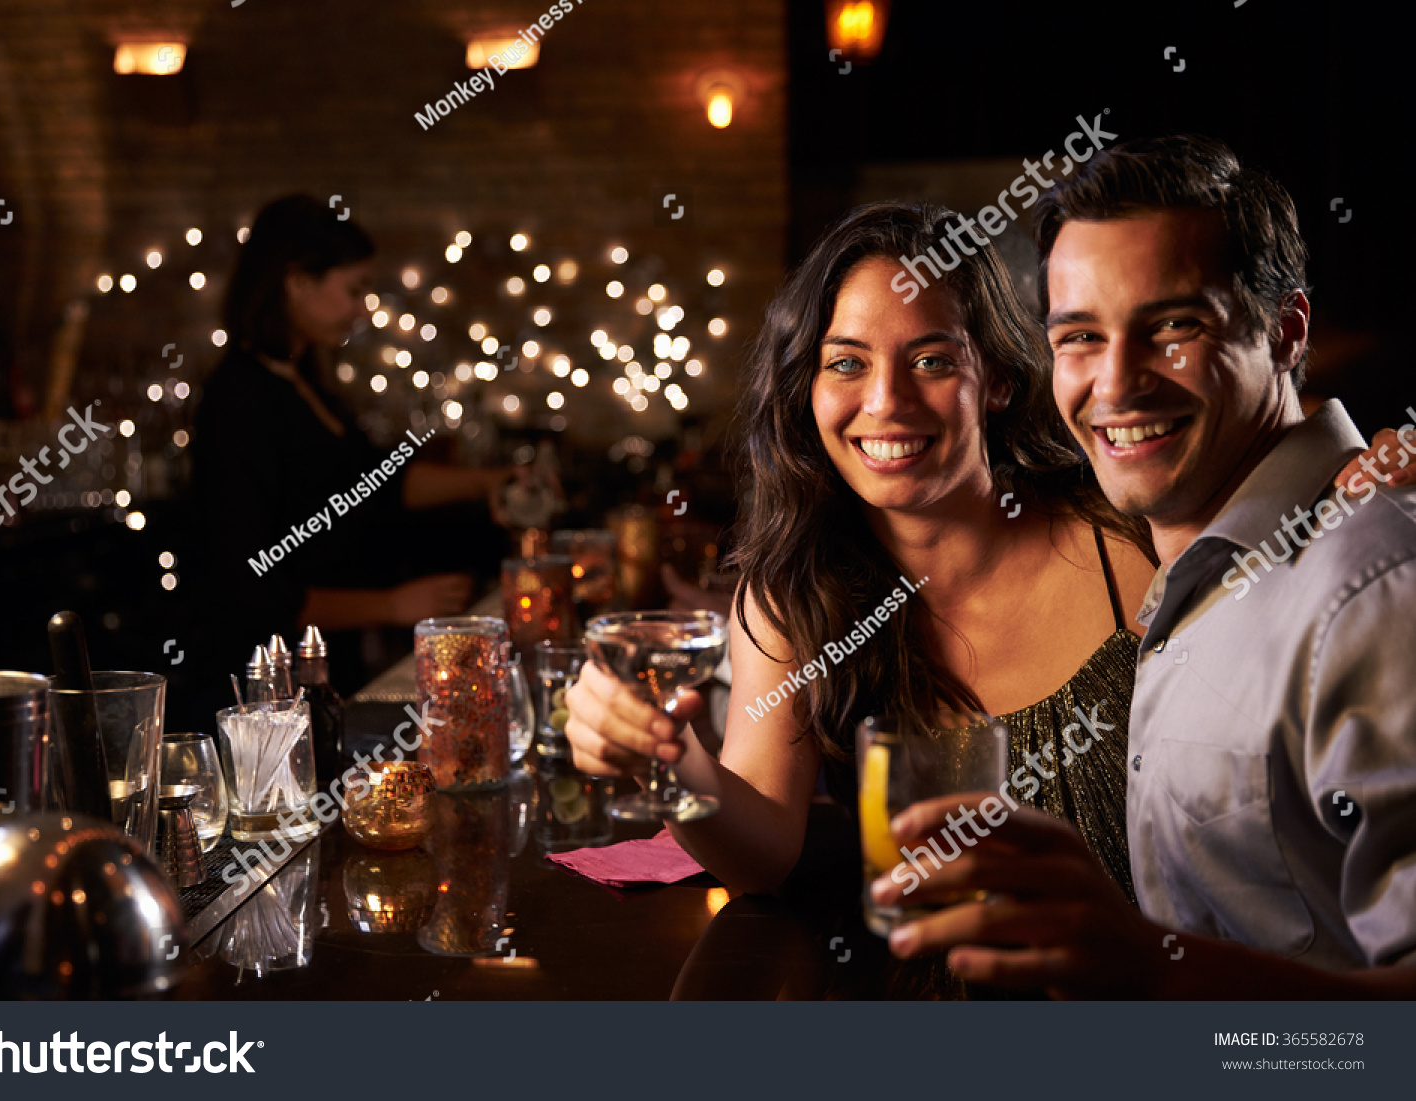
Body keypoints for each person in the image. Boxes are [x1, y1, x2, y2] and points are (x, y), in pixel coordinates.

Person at [873, 135, 1416, 997]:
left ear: (1286, 330)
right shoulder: (1190, 561)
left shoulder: (1374, 590)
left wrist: (1152, 975)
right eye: (1081, 337)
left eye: (1172, 327)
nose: (1116, 382)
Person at [567, 201, 1164, 921]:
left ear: (999, 380)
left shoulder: (1128, 539)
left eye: (932, 360)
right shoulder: (793, 594)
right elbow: (762, 857)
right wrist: (673, 761)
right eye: (847, 362)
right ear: (806, 388)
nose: (885, 400)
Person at [190, 196, 510, 692]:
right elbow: (249, 586)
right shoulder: (240, 400)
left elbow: (377, 483)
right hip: (271, 685)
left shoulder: (305, 382)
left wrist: (492, 482)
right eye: (354, 290)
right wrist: (393, 605)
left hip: (327, 668)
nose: (363, 309)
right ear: (296, 282)